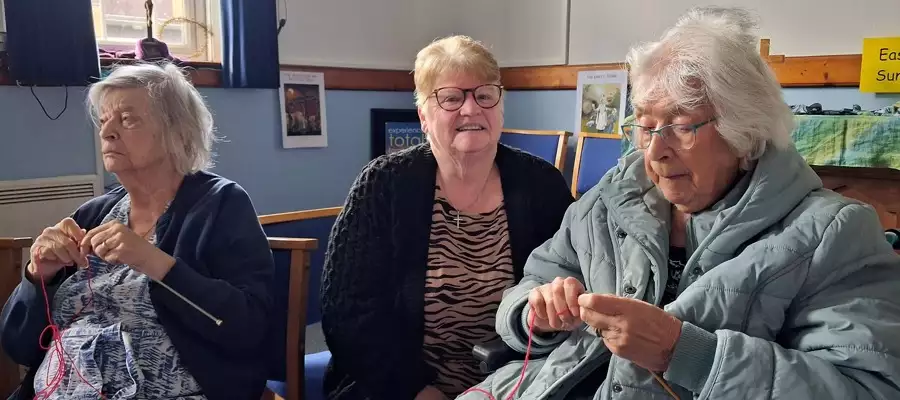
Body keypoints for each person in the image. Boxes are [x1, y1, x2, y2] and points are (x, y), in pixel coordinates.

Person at [460, 7, 900, 400]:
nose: (655, 151)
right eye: (646, 126)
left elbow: (868, 386)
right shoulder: (607, 200)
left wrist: (687, 353)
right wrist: (535, 310)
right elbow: (532, 283)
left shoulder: (833, 232)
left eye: (681, 127)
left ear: (743, 132)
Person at [320, 35, 574, 400]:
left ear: (500, 105)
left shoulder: (542, 184)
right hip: (396, 389)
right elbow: (348, 314)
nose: (471, 110)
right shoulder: (383, 185)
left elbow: (569, 283)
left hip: (519, 386)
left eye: (484, 95)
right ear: (423, 115)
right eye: (451, 98)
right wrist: (417, 391)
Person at [0, 63, 275, 400]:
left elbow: (248, 327)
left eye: (127, 119)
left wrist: (153, 262)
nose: (107, 133)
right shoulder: (92, 214)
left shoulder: (220, 205)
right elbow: (17, 345)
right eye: (104, 121)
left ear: (177, 131)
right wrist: (37, 276)